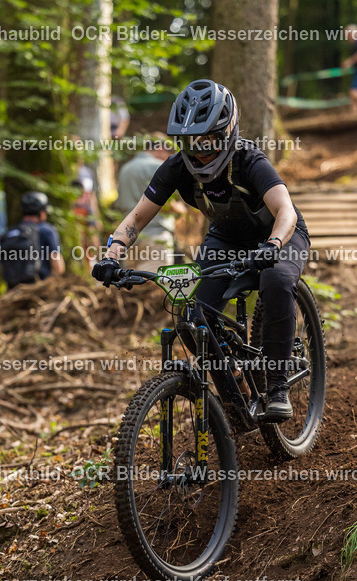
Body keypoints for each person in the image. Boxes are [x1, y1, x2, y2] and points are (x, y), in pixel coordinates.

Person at [92, 80, 309, 422]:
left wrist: (273, 246)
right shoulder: (177, 167)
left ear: (226, 133)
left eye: (207, 141)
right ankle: (237, 390)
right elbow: (136, 217)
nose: (200, 151)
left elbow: (286, 211)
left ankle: (278, 386)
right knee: (190, 319)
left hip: (280, 235)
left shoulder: (249, 160)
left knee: (277, 279)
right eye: (190, 142)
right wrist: (112, 255)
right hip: (225, 239)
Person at [114, 133, 187, 272]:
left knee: (132, 286)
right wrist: (180, 209)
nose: (169, 157)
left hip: (128, 237)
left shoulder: (126, 168)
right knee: (155, 287)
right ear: (160, 148)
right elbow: (163, 204)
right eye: (168, 152)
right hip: (156, 236)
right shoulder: (159, 167)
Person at [0, 191, 64, 289]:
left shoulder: (11, 231)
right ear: (41, 212)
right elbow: (57, 264)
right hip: (39, 288)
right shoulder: (46, 230)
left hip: (13, 290)